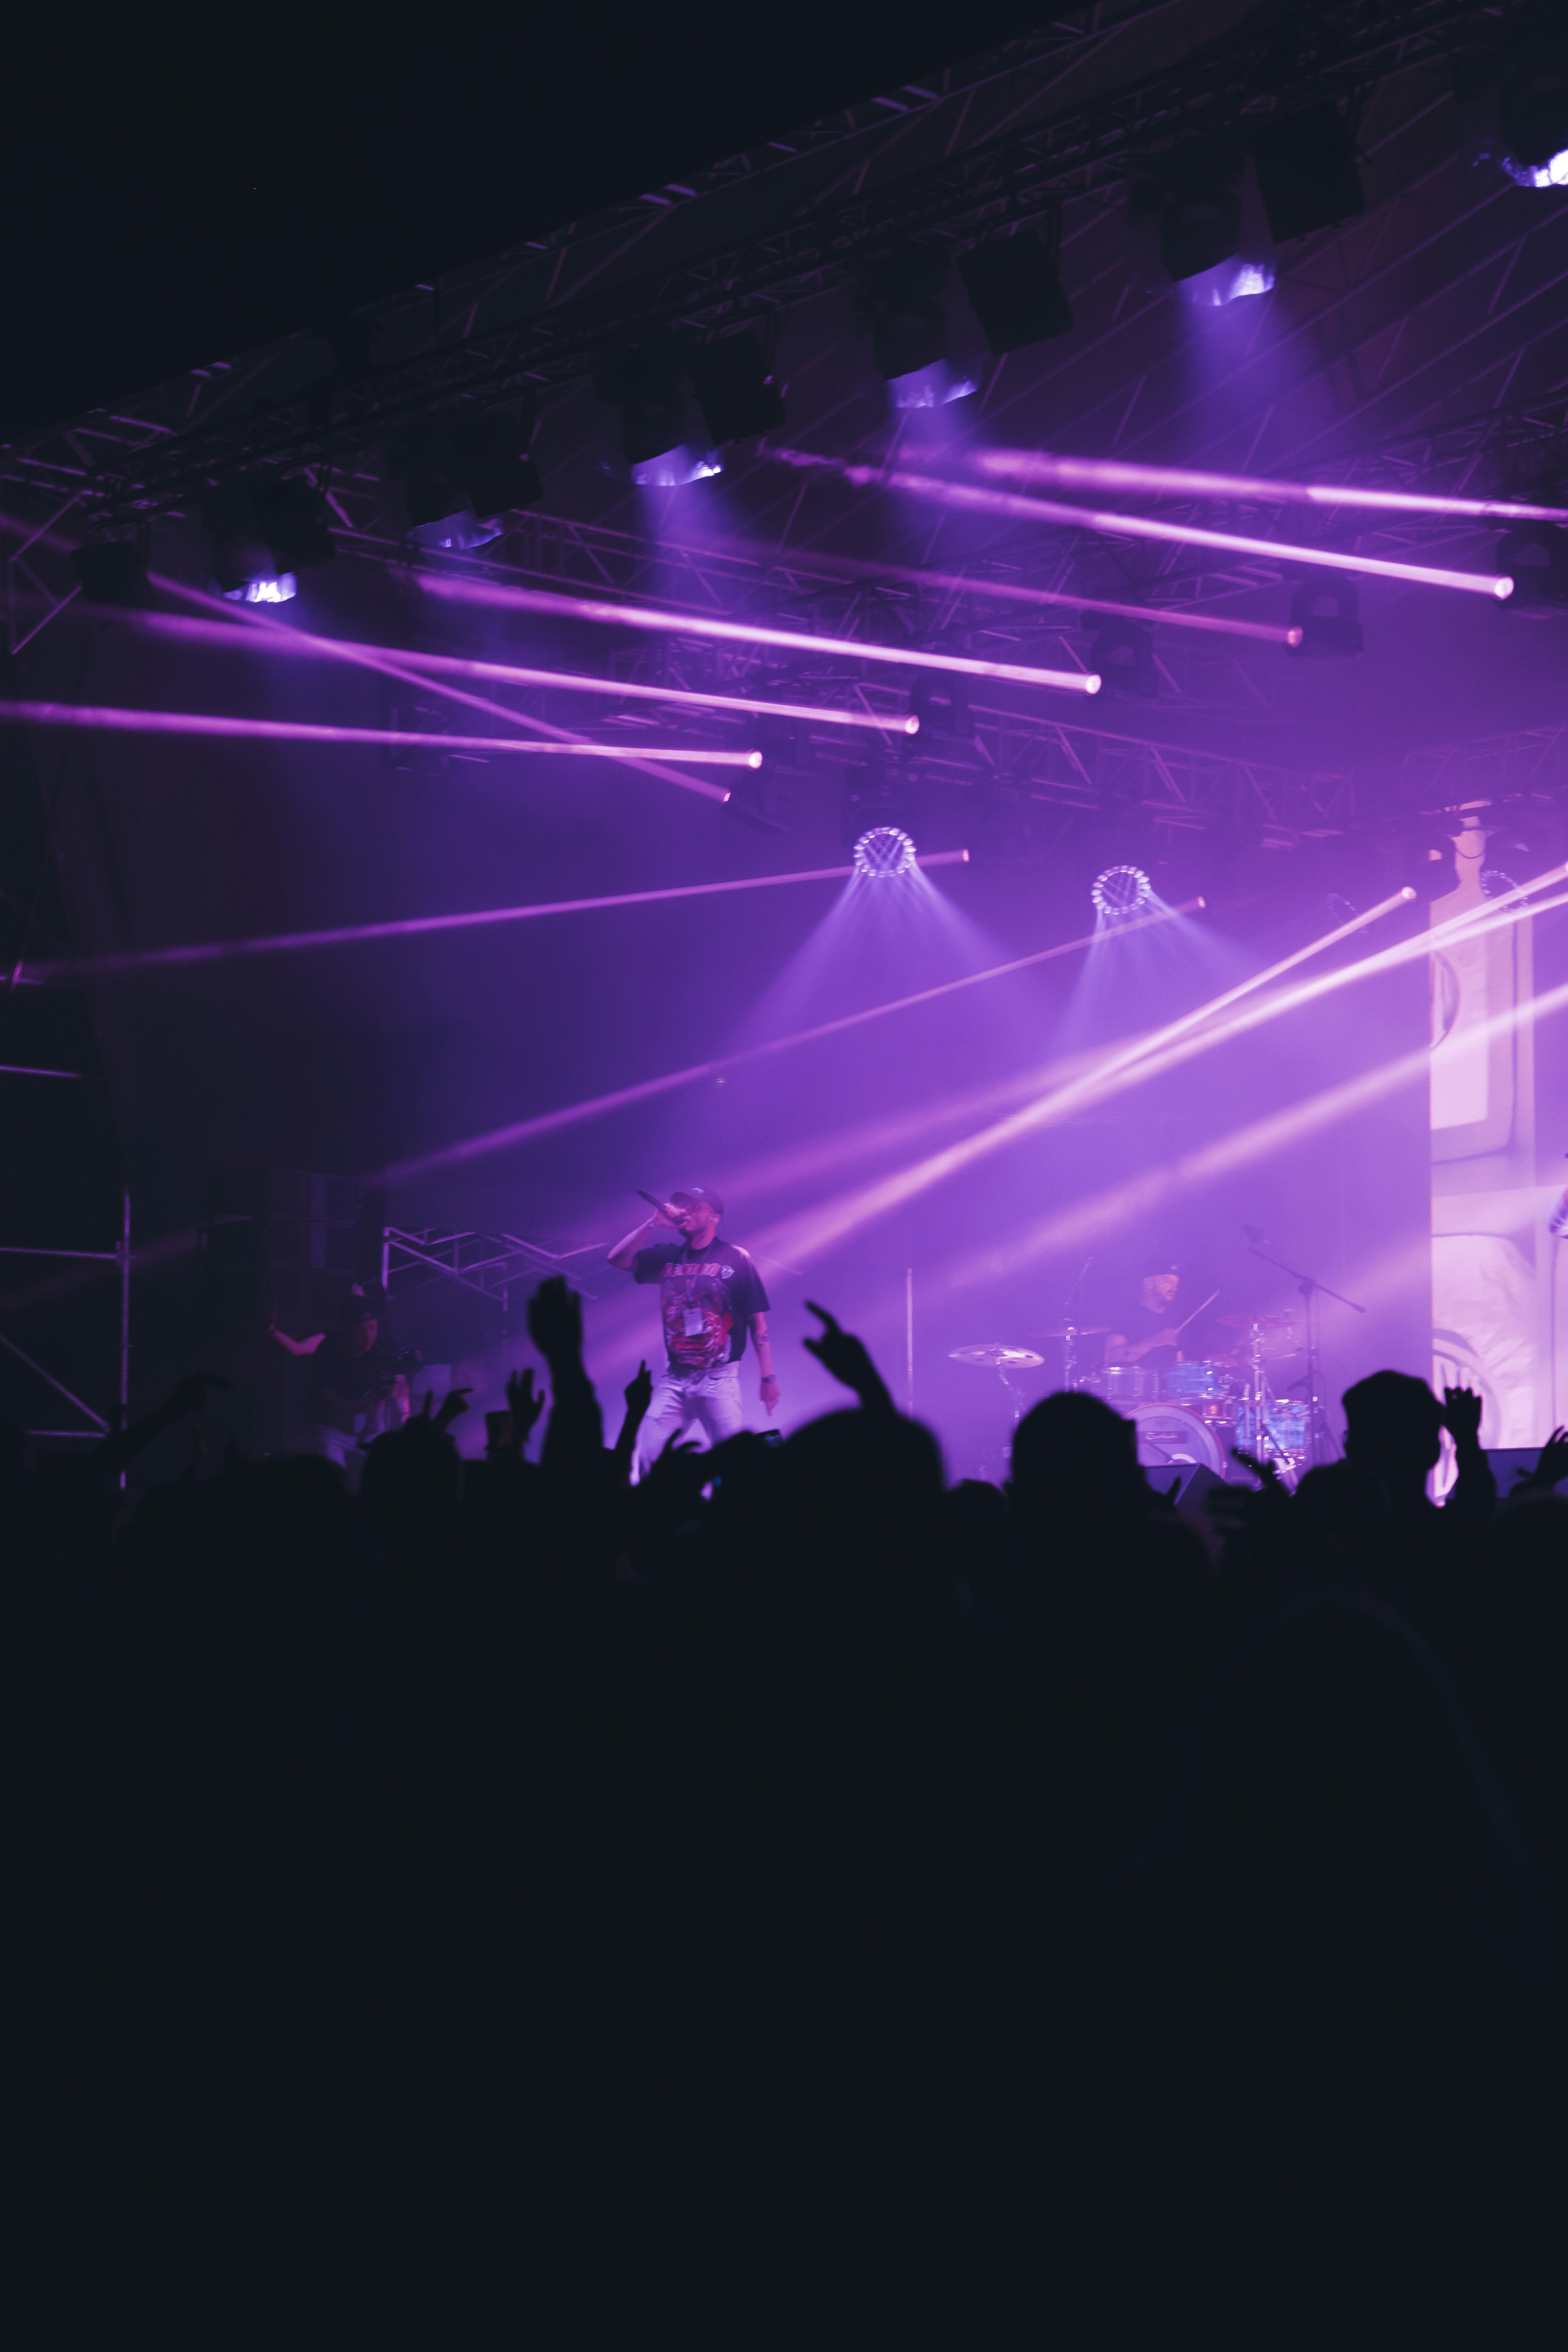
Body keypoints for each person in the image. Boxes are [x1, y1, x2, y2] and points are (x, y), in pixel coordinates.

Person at [606, 1187, 777, 1465]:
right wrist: (652, 1225)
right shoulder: (668, 1256)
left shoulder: (735, 1257)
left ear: (715, 1218)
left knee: (733, 1463)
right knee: (648, 1458)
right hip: (675, 1379)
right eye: (683, 1206)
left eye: (695, 1207)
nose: (686, 1211)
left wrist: (768, 1379)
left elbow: (757, 1322)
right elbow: (617, 1260)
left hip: (718, 1380)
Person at [300, 1291, 410, 1474]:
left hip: (372, 1431)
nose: (368, 1337)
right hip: (333, 1430)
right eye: (360, 1331)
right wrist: (362, 1406)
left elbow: (401, 1383)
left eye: (372, 1328)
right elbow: (328, 1399)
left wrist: (405, 1413)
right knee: (334, 1480)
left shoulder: (384, 1347)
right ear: (346, 1329)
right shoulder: (330, 1350)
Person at [1104, 1264, 1186, 1371]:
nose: (1174, 1288)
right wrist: (1154, 1341)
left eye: (1176, 1283)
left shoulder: (1171, 1319)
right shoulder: (1127, 1315)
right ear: (1149, 1284)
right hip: (1136, 1386)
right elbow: (1111, 1358)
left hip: (1168, 1385)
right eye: (1167, 1281)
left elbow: (1179, 1362)